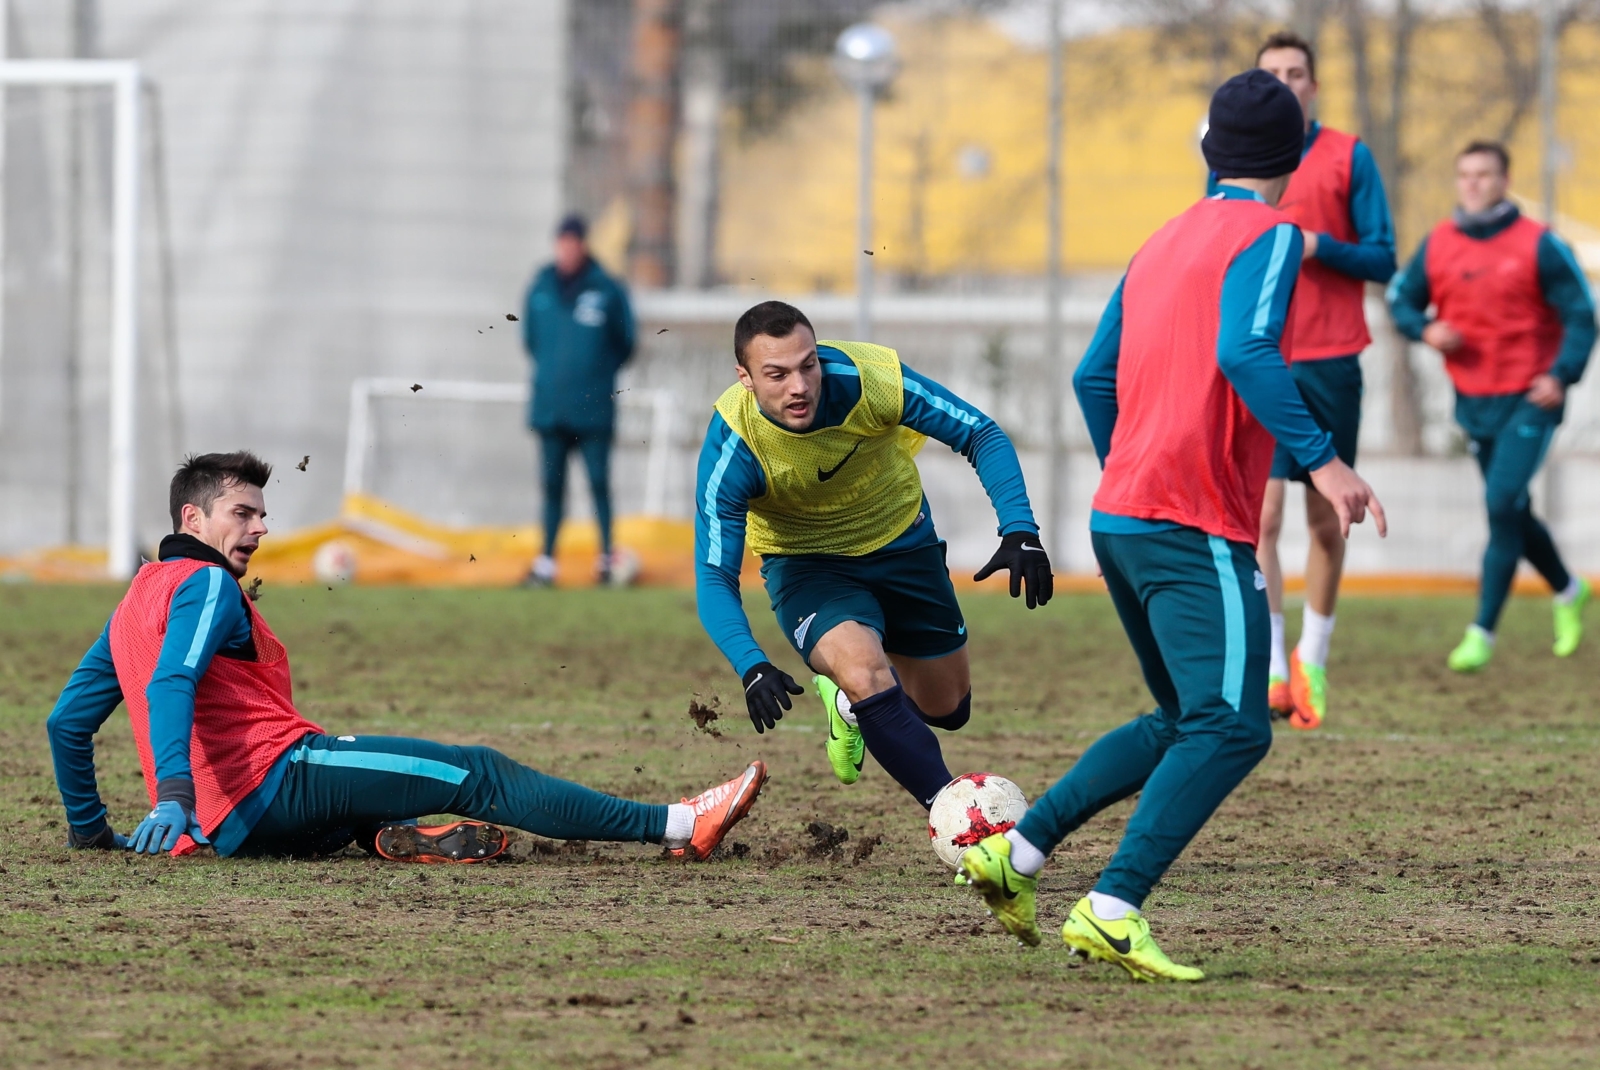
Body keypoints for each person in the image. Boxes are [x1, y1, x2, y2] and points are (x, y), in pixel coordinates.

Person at [956, 71, 1386, 981]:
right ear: (1297, 155)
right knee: (1233, 729)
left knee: (1179, 719)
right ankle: (1112, 906)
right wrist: (1325, 459)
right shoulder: (1271, 236)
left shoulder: (1160, 240)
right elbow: (1247, 350)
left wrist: (1135, 464)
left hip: (1121, 513)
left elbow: (1091, 377)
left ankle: (1015, 855)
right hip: (1191, 520)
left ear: (1208, 151)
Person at [47, 451, 764, 861]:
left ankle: (394, 836)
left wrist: (91, 834)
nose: (263, 527)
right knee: (479, 771)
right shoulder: (203, 582)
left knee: (361, 792)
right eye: (244, 513)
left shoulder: (135, 597)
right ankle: (676, 823)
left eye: (264, 513)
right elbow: (173, 681)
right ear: (191, 520)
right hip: (272, 787)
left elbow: (66, 724)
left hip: (226, 826)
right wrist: (172, 793)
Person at [694, 301, 1052, 814]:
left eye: (807, 364)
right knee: (865, 673)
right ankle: (960, 821)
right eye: (776, 374)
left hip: (904, 545)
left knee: (947, 707)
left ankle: (848, 705)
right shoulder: (735, 444)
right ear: (745, 377)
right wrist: (750, 664)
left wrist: (1020, 529)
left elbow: (980, 432)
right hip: (808, 567)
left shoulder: (868, 379)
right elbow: (714, 575)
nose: (799, 386)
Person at [1217, 32, 1397, 730]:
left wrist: (1319, 245)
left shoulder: (1349, 155)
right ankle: (1269, 667)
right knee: (1261, 516)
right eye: (1272, 75)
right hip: (1261, 355)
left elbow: (1384, 257)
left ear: (1313, 87)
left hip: (1330, 359)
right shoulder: (1231, 163)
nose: (1285, 84)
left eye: (1296, 74)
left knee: (1327, 516)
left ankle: (1312, 661)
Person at [1388, 141, 1594, 671]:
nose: (1473, 183)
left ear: (1504, 181)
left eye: (1484, 174)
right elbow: (1400, 301)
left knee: (1502, 503)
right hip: (1473, 401)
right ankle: (1569, 589)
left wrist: (1562, 374)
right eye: (1465, 174)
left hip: (1531, 397)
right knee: (1514, 509)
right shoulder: (1439, 244)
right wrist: (1426, 329)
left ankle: (1481, 631)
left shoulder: (1540, 244)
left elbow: (1582, 314)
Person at [521, 214, 636, 586]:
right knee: (552, 487)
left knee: (599, 483)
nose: (567, 250)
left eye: (574, 243)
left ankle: (606, 561)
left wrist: (594, 375)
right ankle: (546, 564)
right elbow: (531, 341)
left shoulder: (607, 289)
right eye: (562, 243)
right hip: (551, 407)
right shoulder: (540, 287)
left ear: (584, 245)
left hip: (593, 409)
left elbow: (626, 343)